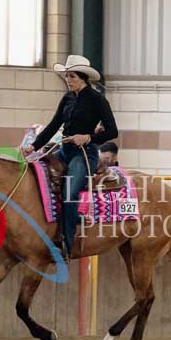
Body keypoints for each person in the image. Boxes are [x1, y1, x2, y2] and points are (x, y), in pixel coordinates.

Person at [21, 54, 118, 261]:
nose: (68, 79)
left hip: (85, 154)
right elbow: (53, 125)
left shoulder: (98, 100)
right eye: (67, 76)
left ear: (83, 77)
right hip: (64, 150)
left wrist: (88, 137)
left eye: (72, 76)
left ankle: (66, 242)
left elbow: (112, 131)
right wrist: (33, 146)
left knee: (69, 191)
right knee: (38, 176)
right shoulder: (67, 98)